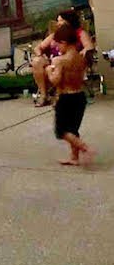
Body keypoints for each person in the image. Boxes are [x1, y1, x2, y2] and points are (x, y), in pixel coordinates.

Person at [46, 24, 95, 166]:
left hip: (66, 98)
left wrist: (49, 71)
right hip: (80, 97)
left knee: (61, 131)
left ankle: (84, 147)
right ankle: (74, 158)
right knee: (73, 130)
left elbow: (55, 81)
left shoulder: (59, 61)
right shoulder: (82, 58)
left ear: (64, 43)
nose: (56, 47)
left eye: (57, 44)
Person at [32, 9, 95, 107]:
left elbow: (89, 47)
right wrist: (40, 55)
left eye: (61, 21)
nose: (58, 24)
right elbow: (38, 47)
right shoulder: (55, 35)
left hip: (70, 65)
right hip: (54, 63)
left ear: (69, 21)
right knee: (37, 62)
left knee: (56, 66)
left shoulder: (79, 33)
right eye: (57, 21)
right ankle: (44, 95)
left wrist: (82, 53)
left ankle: (60, 96)